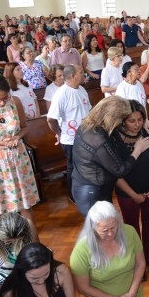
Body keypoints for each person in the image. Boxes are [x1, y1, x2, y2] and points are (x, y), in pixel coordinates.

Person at [71, 96, 149, 216]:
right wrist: (137, 150)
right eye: (120, 119)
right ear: (111, 117)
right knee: (102, 229)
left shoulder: (88, 125)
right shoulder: (98, 140)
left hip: (84, 185)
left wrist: (144, 120)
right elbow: (120, 170)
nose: (120, 122)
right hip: (92, 192)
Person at [110, 100, 149, 268]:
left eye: (140, 119)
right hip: (127, 193)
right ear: (123, 121)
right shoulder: (115, 141)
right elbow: (116, 173)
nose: (137, 124)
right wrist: (133, 195)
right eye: (131, 121)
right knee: (131, 227)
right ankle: (136, 261)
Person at [70, 201, 146, 297]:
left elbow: (140, 264)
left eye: (113, 227)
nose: (110, 234)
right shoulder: (81, 250)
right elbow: (83, 288)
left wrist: (132, 293)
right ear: (93, 228)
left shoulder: (129, 232)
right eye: (104, 230)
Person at [47, 65, 91, 204]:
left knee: (86, 166)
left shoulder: (82, 89)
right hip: (71, 140)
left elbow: (88, 110)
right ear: (73, 76)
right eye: (81, 72)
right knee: (73, 167)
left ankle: (86, 192)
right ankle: (74, 195)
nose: (84, 73)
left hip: (86, 136)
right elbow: (51, 119)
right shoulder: (61, 94)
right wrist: (58, 133)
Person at [0, 243, 76, 297]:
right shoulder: (11, 293)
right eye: (34, 278)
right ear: (22, 272)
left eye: (46, 274)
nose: (42, 281)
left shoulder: (61, 271)